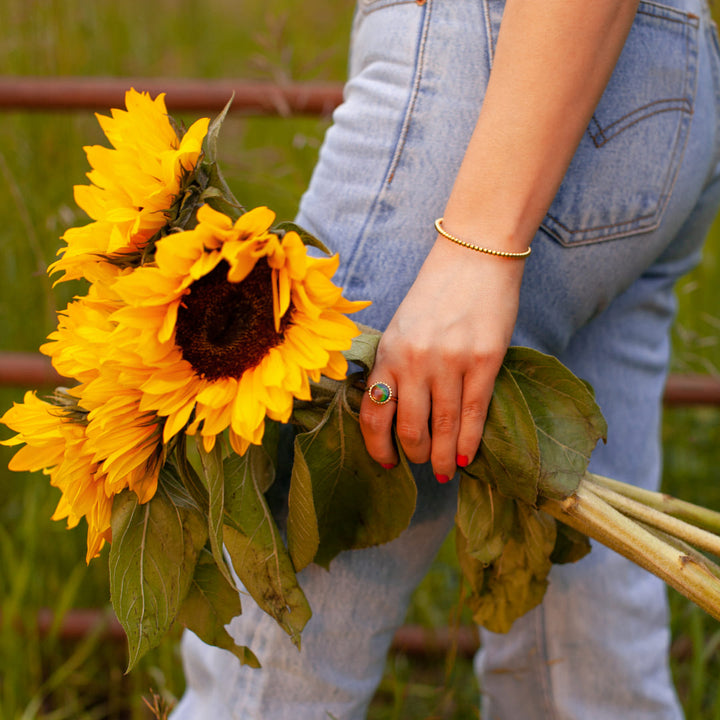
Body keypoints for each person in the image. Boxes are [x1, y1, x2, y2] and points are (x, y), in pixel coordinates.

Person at [171, 0, 720, 717]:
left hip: (489, 72)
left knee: (275, 658)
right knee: (583, 670)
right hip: (654, 64)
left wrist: (477, 245)